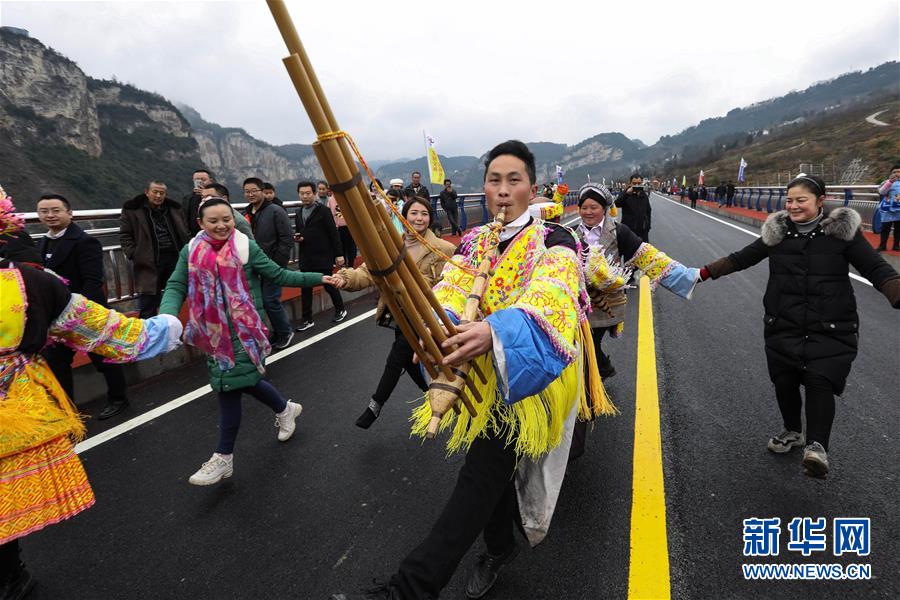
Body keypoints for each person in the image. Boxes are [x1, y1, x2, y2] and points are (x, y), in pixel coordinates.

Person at [332, 140, 600, 600]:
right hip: (478, 371)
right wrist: (440, 329)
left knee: (478, 474)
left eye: (513, 180)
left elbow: (552, 297)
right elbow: (453, 289)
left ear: (531, 189)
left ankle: (410, 589)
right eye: (494, 180)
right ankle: (498, 548)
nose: (502, 190)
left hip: (527, 371)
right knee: (486, 474)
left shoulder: (556, 238)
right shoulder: (476, 241)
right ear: (484, 188)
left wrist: (494, 331)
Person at [0, 190, 182, 599]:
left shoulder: (30, 278)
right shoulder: (28, 282)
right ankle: (10, 574)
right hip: (16, 404)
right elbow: (100, 330)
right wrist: (163, 328)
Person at [697, 175, 900, 478]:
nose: (792, 206)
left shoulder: (842, 234)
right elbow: (743, 258)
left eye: (800, 200)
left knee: (821, 380)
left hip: (831, 324)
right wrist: (701, 274)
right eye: (788, 200)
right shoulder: (777, 233)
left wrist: (894, 290)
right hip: (784, 321)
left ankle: (817, 448)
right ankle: (793, 430)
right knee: (785, 380)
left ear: (821, 202)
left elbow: (876, 268)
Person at [159, 198, 340, 485]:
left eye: (226, 219)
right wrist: (166, 317)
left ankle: (223, 457)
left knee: (228, 386)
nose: (221, 225)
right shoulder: (191, 251)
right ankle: (285, 408)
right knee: (245, 381)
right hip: (213, 333)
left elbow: (280, 275)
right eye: (213, 221)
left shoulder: (246, 247)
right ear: (200, 224)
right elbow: (176, 285)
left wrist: (320, 277)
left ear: (234, 219)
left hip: (245, 332)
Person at [332, 196, 455, 429]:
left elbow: (450, 287)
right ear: (404, 216)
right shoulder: (390, 245)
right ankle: (436, 394)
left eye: (424, 213)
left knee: (397, 354)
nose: (419, 218)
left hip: (424, 318)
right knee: (408, 361)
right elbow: (367, 271)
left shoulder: (442, 249)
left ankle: (375, 405)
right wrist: (345, 279)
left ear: (430, 218)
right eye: (414, 213)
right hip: (398, 314)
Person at [36, 194, 131, 420]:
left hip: (84, 312)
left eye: (56, 210)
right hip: (55, 317)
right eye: (44, 211)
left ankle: (119, 398)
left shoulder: (84, 241)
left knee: (102, 358)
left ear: (69, 213)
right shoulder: (43, 242)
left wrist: (82, 311)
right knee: (58, 364)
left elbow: (92, 280)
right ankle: (67, 410)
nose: (50, 215)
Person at [120, 180, 190, 318]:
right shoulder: (133, 210)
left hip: (174, 258)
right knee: (148, 301)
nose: (158, 196)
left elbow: (184, 230)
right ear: (147, 192)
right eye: (155, 192)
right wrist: (134, 254)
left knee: (175, 295)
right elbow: (125, 234)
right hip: (148, 259)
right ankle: (149, 335)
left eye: (162, 193)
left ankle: (173, 332)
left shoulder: (173, 209)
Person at [241, 177, 295, 350]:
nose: (250, 194)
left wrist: (278, 263)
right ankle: (278, 332)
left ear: (262, 191)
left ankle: (286, 332)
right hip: (255, 265)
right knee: (262, 301)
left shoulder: (275, 211)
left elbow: (286, 238)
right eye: (247, 191)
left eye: (254, 191)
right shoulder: (248, 213)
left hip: (273, 264)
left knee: (270, 299)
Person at [293, 181, 347, 332]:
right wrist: (298, 237)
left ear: (314, 193)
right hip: (306, 256)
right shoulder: (298, 212)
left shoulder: (323, 210)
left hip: (323, 255)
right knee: (305, 287)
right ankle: (307, 319)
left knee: (328, 284)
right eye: (302, 193)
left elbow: (333, 233)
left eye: (308, 193)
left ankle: (340, 309)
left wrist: (339, 254)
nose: (305, 196)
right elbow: (300, 231)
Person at [616, 173, 652, 242]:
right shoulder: (625, 193)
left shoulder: (643, 195)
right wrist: (626, 194)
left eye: (639, 183)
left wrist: (648, 226)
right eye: (634, 183)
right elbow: (617, 204)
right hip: (629, 230)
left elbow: (648, 211)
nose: (637, 185)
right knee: (628, 251)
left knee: (644, 251)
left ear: (642, 183)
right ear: (630, 183)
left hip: (643, 230)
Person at [328, 188, 357, 267]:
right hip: (338, 228)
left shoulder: (347, 197)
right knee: (341, 248)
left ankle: (351, 266)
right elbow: (330, 213)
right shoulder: (331, 200)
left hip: (349, 227)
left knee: (350, 248)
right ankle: (343, 267)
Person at [875, 163, 900, 251]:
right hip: (887, 208)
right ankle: (882, 245)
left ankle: (896, 245)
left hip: (899, 209)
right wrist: (890, 182)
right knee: (885, 227)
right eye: (894, 172)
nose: (897, 173)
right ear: (891, 173)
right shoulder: (886, 182)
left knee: (898, 228)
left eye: (899, 172)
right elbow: (881, 192)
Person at [183, 168, 215, 235]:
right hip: (193, 236)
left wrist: (207, 195)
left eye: (203, 180)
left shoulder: (216, 197)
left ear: (210, 181)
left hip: (212, 234)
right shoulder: (187, 198)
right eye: (197, 180)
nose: (200, 182)